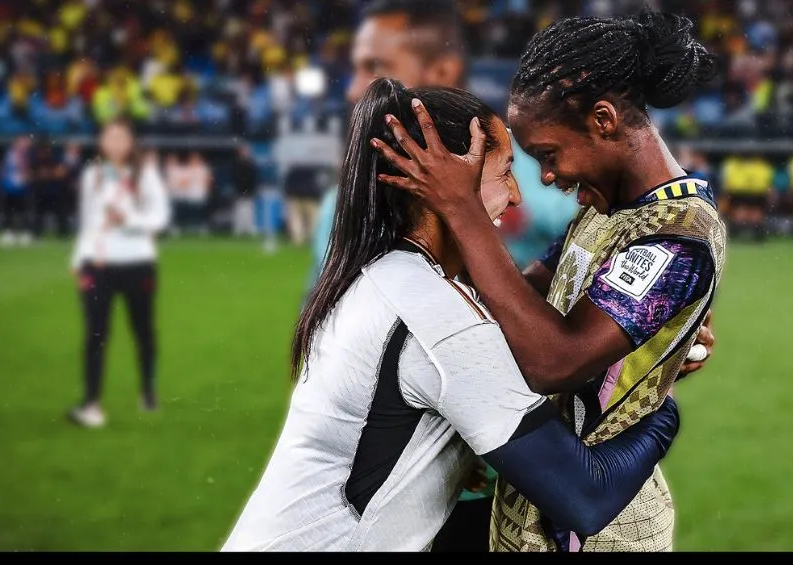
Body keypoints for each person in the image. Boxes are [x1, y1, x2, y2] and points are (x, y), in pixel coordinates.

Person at [306, 2, 718, 551]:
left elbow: (554, 360)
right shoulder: (604, 209)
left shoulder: (678, 234)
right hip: (533, 509)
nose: (547, 176)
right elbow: (520, 294)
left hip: (600, 527)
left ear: (604, 120)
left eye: (548, 154)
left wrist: (465, 213)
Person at [221, 79, 681, 553]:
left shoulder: (381, 276)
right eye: (504, 172)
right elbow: (586, 497)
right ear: (446, 185)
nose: (517, 195)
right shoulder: (436, 318)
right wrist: (660, 409)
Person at [67, 119, 171, 428]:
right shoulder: (92, 175)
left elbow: (160, 217)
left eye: (120, 136)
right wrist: (77, 258)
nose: (114, 142)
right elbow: (88, 221)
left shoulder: (146, 174)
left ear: (130, 141)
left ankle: (148, 391)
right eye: (108, 136)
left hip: (138, 262)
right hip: (98, 264)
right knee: (95, 334)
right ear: (101, 141)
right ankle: (91, 405)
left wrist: (128, 220)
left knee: (143, 332)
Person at [231, 144, 259, 237]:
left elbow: (253, 177)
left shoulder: (251, 163)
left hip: (249, 189)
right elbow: (235, 177)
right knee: (239, 209)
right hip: (239, 189)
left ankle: (249, 227)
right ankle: (239, 228)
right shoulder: (237, 163)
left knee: (249, 209)